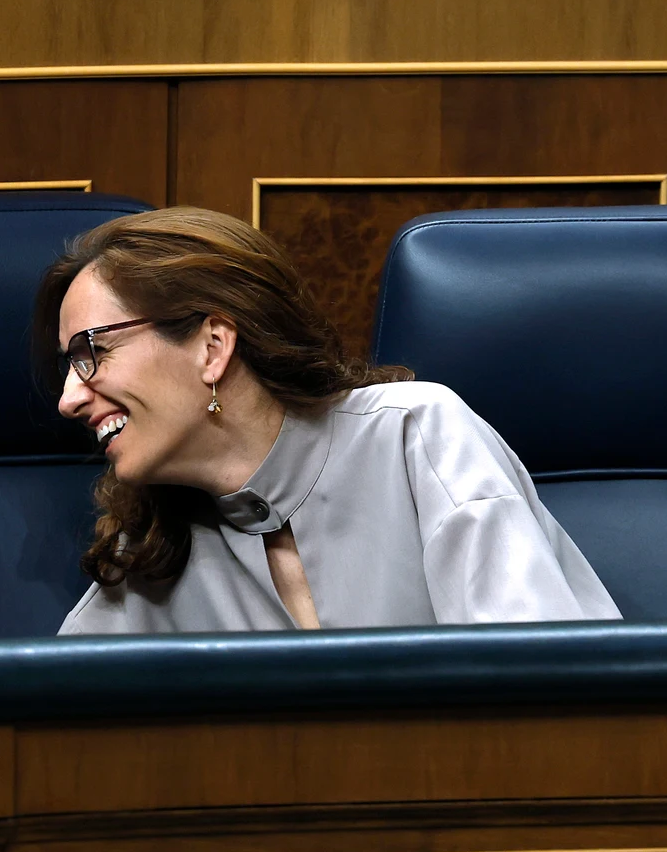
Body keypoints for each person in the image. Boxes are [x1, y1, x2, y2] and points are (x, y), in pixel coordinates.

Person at [37, 206, 619, 633]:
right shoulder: (151, 551)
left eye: (92, 352)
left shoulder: (419, 436)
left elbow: (545, 701)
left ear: (212, 346)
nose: (69, 398)